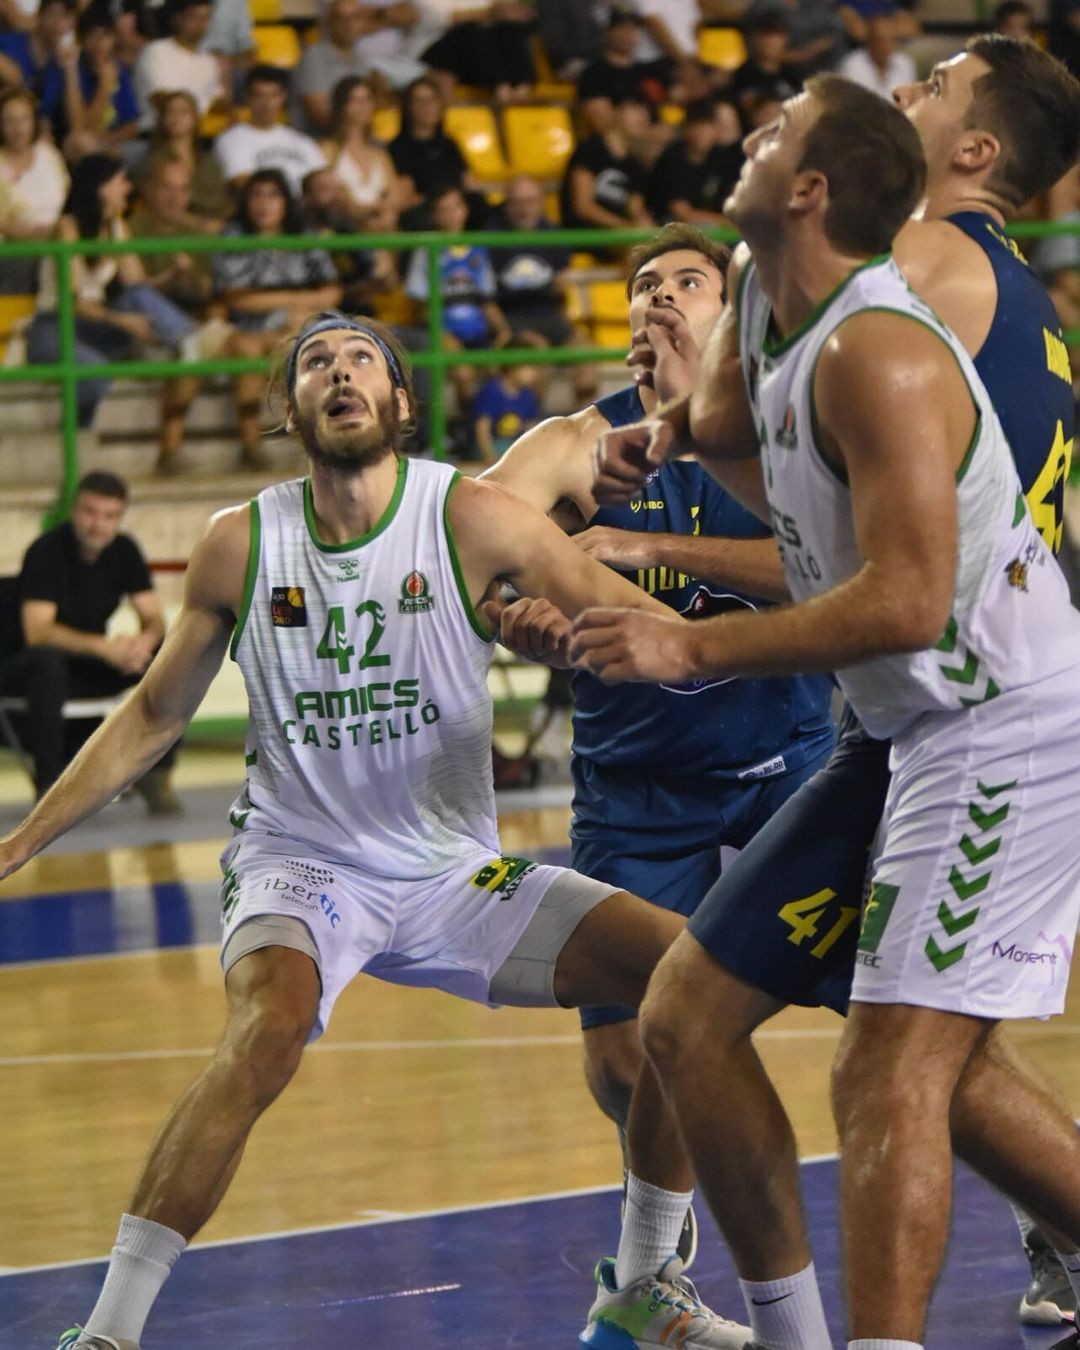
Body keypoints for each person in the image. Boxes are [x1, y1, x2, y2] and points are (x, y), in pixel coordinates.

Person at [30, 311, 753, 1350]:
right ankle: (107, 1332)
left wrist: (679, 644)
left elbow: (646, 624)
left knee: (692, 978)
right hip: (302, 864)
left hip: (450, 873)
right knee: (267, 1032)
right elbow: (151, 716)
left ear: (400, 402)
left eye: (361, 357)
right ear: (290, 409)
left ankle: (641, 1284)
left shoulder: (473, 516)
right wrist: (16, 844)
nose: (340, 371)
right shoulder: (242, 542)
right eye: (316, 362)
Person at [583, 64, 1080, 1350]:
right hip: (902, 721)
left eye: (781, 128)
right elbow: (731, 426)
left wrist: (689, 643)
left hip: (996, 717)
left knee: (891, 1065)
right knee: (687, 1018)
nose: (751, 127)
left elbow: (903, 599)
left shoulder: (894, 325)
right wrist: (667, 436)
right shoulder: (772, 294)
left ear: (812, 188)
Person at [484, 221, 836, 1340]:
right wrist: (513, 614)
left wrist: (647, 551)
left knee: (906, 1003)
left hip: (789, 762)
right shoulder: (572, 444)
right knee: (624, 1055)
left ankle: (1043, 1218)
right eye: (644, 284)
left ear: (734, 309)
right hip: (639, 782)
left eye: (689, 279)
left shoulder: (783, 426)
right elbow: (466, 545)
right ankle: (654, 1275)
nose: (661, 297)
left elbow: (831, 572)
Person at [0, 471, 179, 811]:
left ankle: (156, 772)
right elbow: (38, 632)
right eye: (90, 513)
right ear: (74, 510)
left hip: (89, 664)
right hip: (30, 670)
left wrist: (142, 642)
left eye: (110, 516)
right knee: (47, 660)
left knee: (170, 653)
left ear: (120, 518)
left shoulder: (125, 550)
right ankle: (49, 787)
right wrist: (105, 649)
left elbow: (154, 617)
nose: (98, 525)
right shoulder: (46, 551)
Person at [24, 153, 209, 440]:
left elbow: (139, 287)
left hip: (94, 326)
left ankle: (188, 340)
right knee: (95, 374)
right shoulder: (68, 227)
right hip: (55, 327)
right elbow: (73, 301)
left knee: (136, 296)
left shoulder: (116, 226)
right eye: (121, 181)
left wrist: (172, 275)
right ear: (101, 187)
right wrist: (124, 322)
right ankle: (75, 436)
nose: (128, 188)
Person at [211, 169, 342, 468]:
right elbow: (237, 297)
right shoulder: (234, 237)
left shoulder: (305, 235)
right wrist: (294, 302)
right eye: (256, 195)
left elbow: (332, 290)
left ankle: (328, 437)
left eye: (273, 195)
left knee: (316, 337)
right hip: (252, 326)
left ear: (286, 202)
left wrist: (297, 309)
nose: (264, 203)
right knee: (256, 348)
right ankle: (252, 444)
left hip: (306, 319)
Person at [38, 3, 140, 155]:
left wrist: (104, 141)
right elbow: (79, 128)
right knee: (82, 142)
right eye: (92, 36)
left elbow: (132, 126)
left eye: (105, 36)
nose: (99, 43)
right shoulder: (61, 66)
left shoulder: (118, 69)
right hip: (67, 143)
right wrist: (104, 85)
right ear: (81, 40)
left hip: (110, 144)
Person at [214, 64, 327, 196]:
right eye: (259, 96)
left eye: (274, 95)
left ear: (284, 97)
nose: (266, 104)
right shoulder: (231, 140)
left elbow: (323, 181)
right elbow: (243, 185)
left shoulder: (303, 141)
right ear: (247, 97)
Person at [559, 92, 654, 232]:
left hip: (619, 237)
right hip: (585, 236)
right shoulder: (590, 150)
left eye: (646, 111)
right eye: (635, 108)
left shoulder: (635, 165)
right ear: (615, 112)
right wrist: (625, 226)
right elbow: (583, 207)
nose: (643, 116)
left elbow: (635, 209)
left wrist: (643, 222)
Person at [320, 75, 404, 232]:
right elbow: (328, 193)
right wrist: (363, 214)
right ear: (341, 105)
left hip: (382, 228)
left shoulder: (380, 154)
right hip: (345, 228)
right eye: (354, 100)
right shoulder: (328, 150)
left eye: (367, 99)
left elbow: (395, 195)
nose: (362, 106)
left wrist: (385, 213)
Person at [138, 87, 230, 225]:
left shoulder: (209, 163)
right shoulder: (153, 161)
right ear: (163, 119)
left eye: (183, 111)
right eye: (171, 111)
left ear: (195, 118)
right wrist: (197, 222)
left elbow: (220, 202)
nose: (177, 117)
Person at [646, 96, 743, 225]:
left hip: (713, 226)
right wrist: (725, 222)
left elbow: (735, 198)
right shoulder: (673, 159)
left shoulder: (722, 158)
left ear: (716, 129)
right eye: (696, 126)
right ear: (686, 129)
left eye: (706, 126)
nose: (701, 133)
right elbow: (682, 212)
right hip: (667, 226)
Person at [133, 0, 226, 126]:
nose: (201, 24)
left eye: (205, 18)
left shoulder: (209, 61)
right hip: (156, 131)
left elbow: (218, 103)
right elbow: (162, 100)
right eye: (194, 17)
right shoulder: (156, 51)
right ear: (178, 19)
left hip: (199, 133)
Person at [293, 0, 369, 135]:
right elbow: (321, 114)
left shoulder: (361, 58)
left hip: (350, 139)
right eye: (340, 18)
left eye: (354, 17)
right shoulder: (314, 56)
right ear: (328, 23)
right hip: (316, 140)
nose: (348, 24)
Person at [837, 8, 915, 99]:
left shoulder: (906, 64)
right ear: (870, 41)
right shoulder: (851, 66)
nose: (886, 46)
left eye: (891, 40)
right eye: (881, 40)